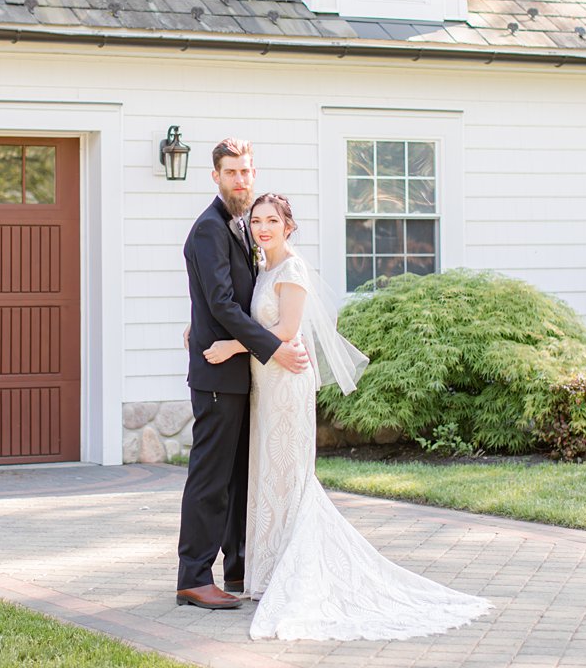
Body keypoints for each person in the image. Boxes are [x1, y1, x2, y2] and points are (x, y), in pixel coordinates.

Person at [203, 193, 493, 640]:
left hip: (286, 383)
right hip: (265, 384)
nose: (262, 228)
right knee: (269, 475)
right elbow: (244, 314)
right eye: (257, 220)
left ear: (288, 226)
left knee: (290, 474)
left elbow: (284, 332)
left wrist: (230, 346)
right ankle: (271, 573)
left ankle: (297, 569)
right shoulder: (264, 269)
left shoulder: (293, 269)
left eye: (272, 221)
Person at [177, 138, 309, 610]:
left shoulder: (242, 227)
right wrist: (274, 348)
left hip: (241, 375)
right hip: (218, 376)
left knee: (237, 478)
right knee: (210, 479)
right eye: (231, 172)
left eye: (246, 171)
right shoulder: (211, 229)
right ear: (215, 176)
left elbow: (234, 297)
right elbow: (222, 304)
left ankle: (237, 567)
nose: (240, 180)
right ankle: (194, 576)